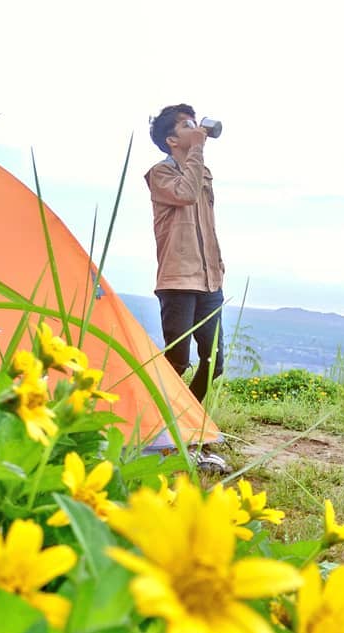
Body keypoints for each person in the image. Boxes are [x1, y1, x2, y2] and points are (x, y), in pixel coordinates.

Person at [146, 103, 229, 472]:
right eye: (187, 125)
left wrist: (219, 265)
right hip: (178, 280)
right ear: (171, 139)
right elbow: (186, 194)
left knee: (213, 364)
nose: (196, 129)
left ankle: (185, 429)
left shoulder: (202, 172)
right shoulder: (160, 174)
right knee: (177, 361)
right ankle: (152, 426)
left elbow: (207, 223)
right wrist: (197, 150)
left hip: (209, 280)